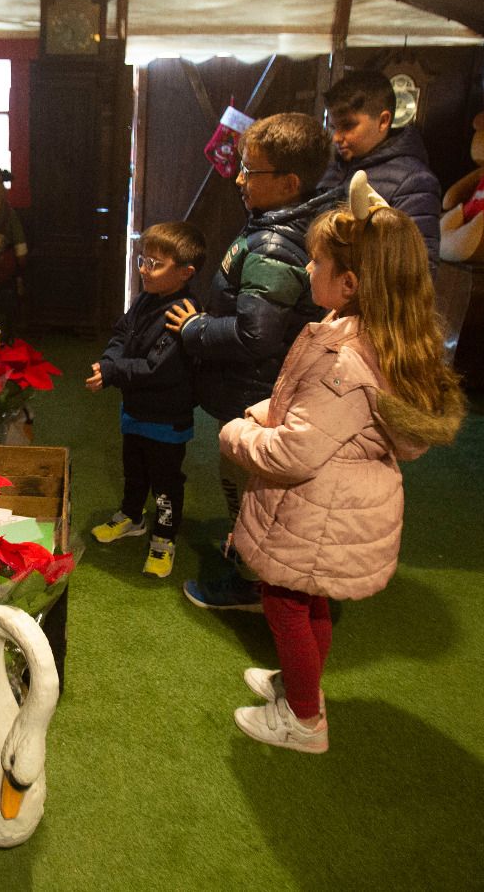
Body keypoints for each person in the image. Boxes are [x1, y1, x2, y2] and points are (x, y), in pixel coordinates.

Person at [224, 174, 464, 752]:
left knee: (284, 600)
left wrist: (236, 433)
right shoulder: (365, 336)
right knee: (308, 599)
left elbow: (297, 449)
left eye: (316, 262)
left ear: (350, 282)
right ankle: (299, 684)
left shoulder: (346, 363)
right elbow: (301, 407)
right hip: (334, 501)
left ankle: (305, 720)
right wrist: (267, 410)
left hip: (319, 507)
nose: (308, 271)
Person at [166, 112, 338, 609]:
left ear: (289, 182)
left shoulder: (274, 243)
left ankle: (252, 582)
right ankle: (253, 558)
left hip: (258, 389)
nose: (240, 179)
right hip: (274, 384)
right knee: (260, 485)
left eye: (251, 171)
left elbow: (255, 333)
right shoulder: (291, 222)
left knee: (247, 477)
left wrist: (195, 329)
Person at [86, 220, 206, 578]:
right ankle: (132, 516)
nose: (144, 270)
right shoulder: (146, 300)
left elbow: (158, 368)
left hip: (167, 418)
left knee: (166, 482)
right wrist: (109, 362)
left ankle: (165, 536)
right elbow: (122, 333)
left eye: (156, 264)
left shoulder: (183, 312)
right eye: (143, 260)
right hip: (136, 409)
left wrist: (112, 373)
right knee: (134, 469)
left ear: (185, 272)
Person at [314, 70, 442, 269]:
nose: (337, 137)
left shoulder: (414, 181)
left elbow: (420, 269)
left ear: (383, 121)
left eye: (348, 126)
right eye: (333, 127)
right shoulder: (332, 169)